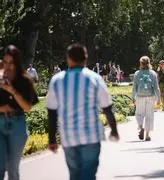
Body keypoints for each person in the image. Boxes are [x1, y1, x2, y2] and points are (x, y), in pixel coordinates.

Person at [47, 44, 119, 180]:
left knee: (74, 174)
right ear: (86, 58)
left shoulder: (57, 80)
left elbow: (52, 112)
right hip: (91, 135)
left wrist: (51, 139)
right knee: (89, 174)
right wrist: (114, 129)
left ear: (68, 59)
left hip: (69, 136)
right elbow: (107, 107)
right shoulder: (94, 78)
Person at [0, 45, 39, 180]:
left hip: (17, 124)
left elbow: (27, 107)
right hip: (0, 123)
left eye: (11, 63)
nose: (8, 66)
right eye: (5, 62)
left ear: (17, 62)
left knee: (12, 168)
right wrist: (3, 108)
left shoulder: (24, 80)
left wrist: (12, 91)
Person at [132, 56, 161, 141]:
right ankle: (147, 135)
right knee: (149, 115)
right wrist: (159, 98)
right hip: (150, 96)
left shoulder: (137, 73)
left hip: (140, 96)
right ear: (149, 63)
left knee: (138, 114)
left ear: (141, 63)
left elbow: (134, 87)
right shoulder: (153, 73)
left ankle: (141, 127)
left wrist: (133, 98)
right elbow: (156, 87)